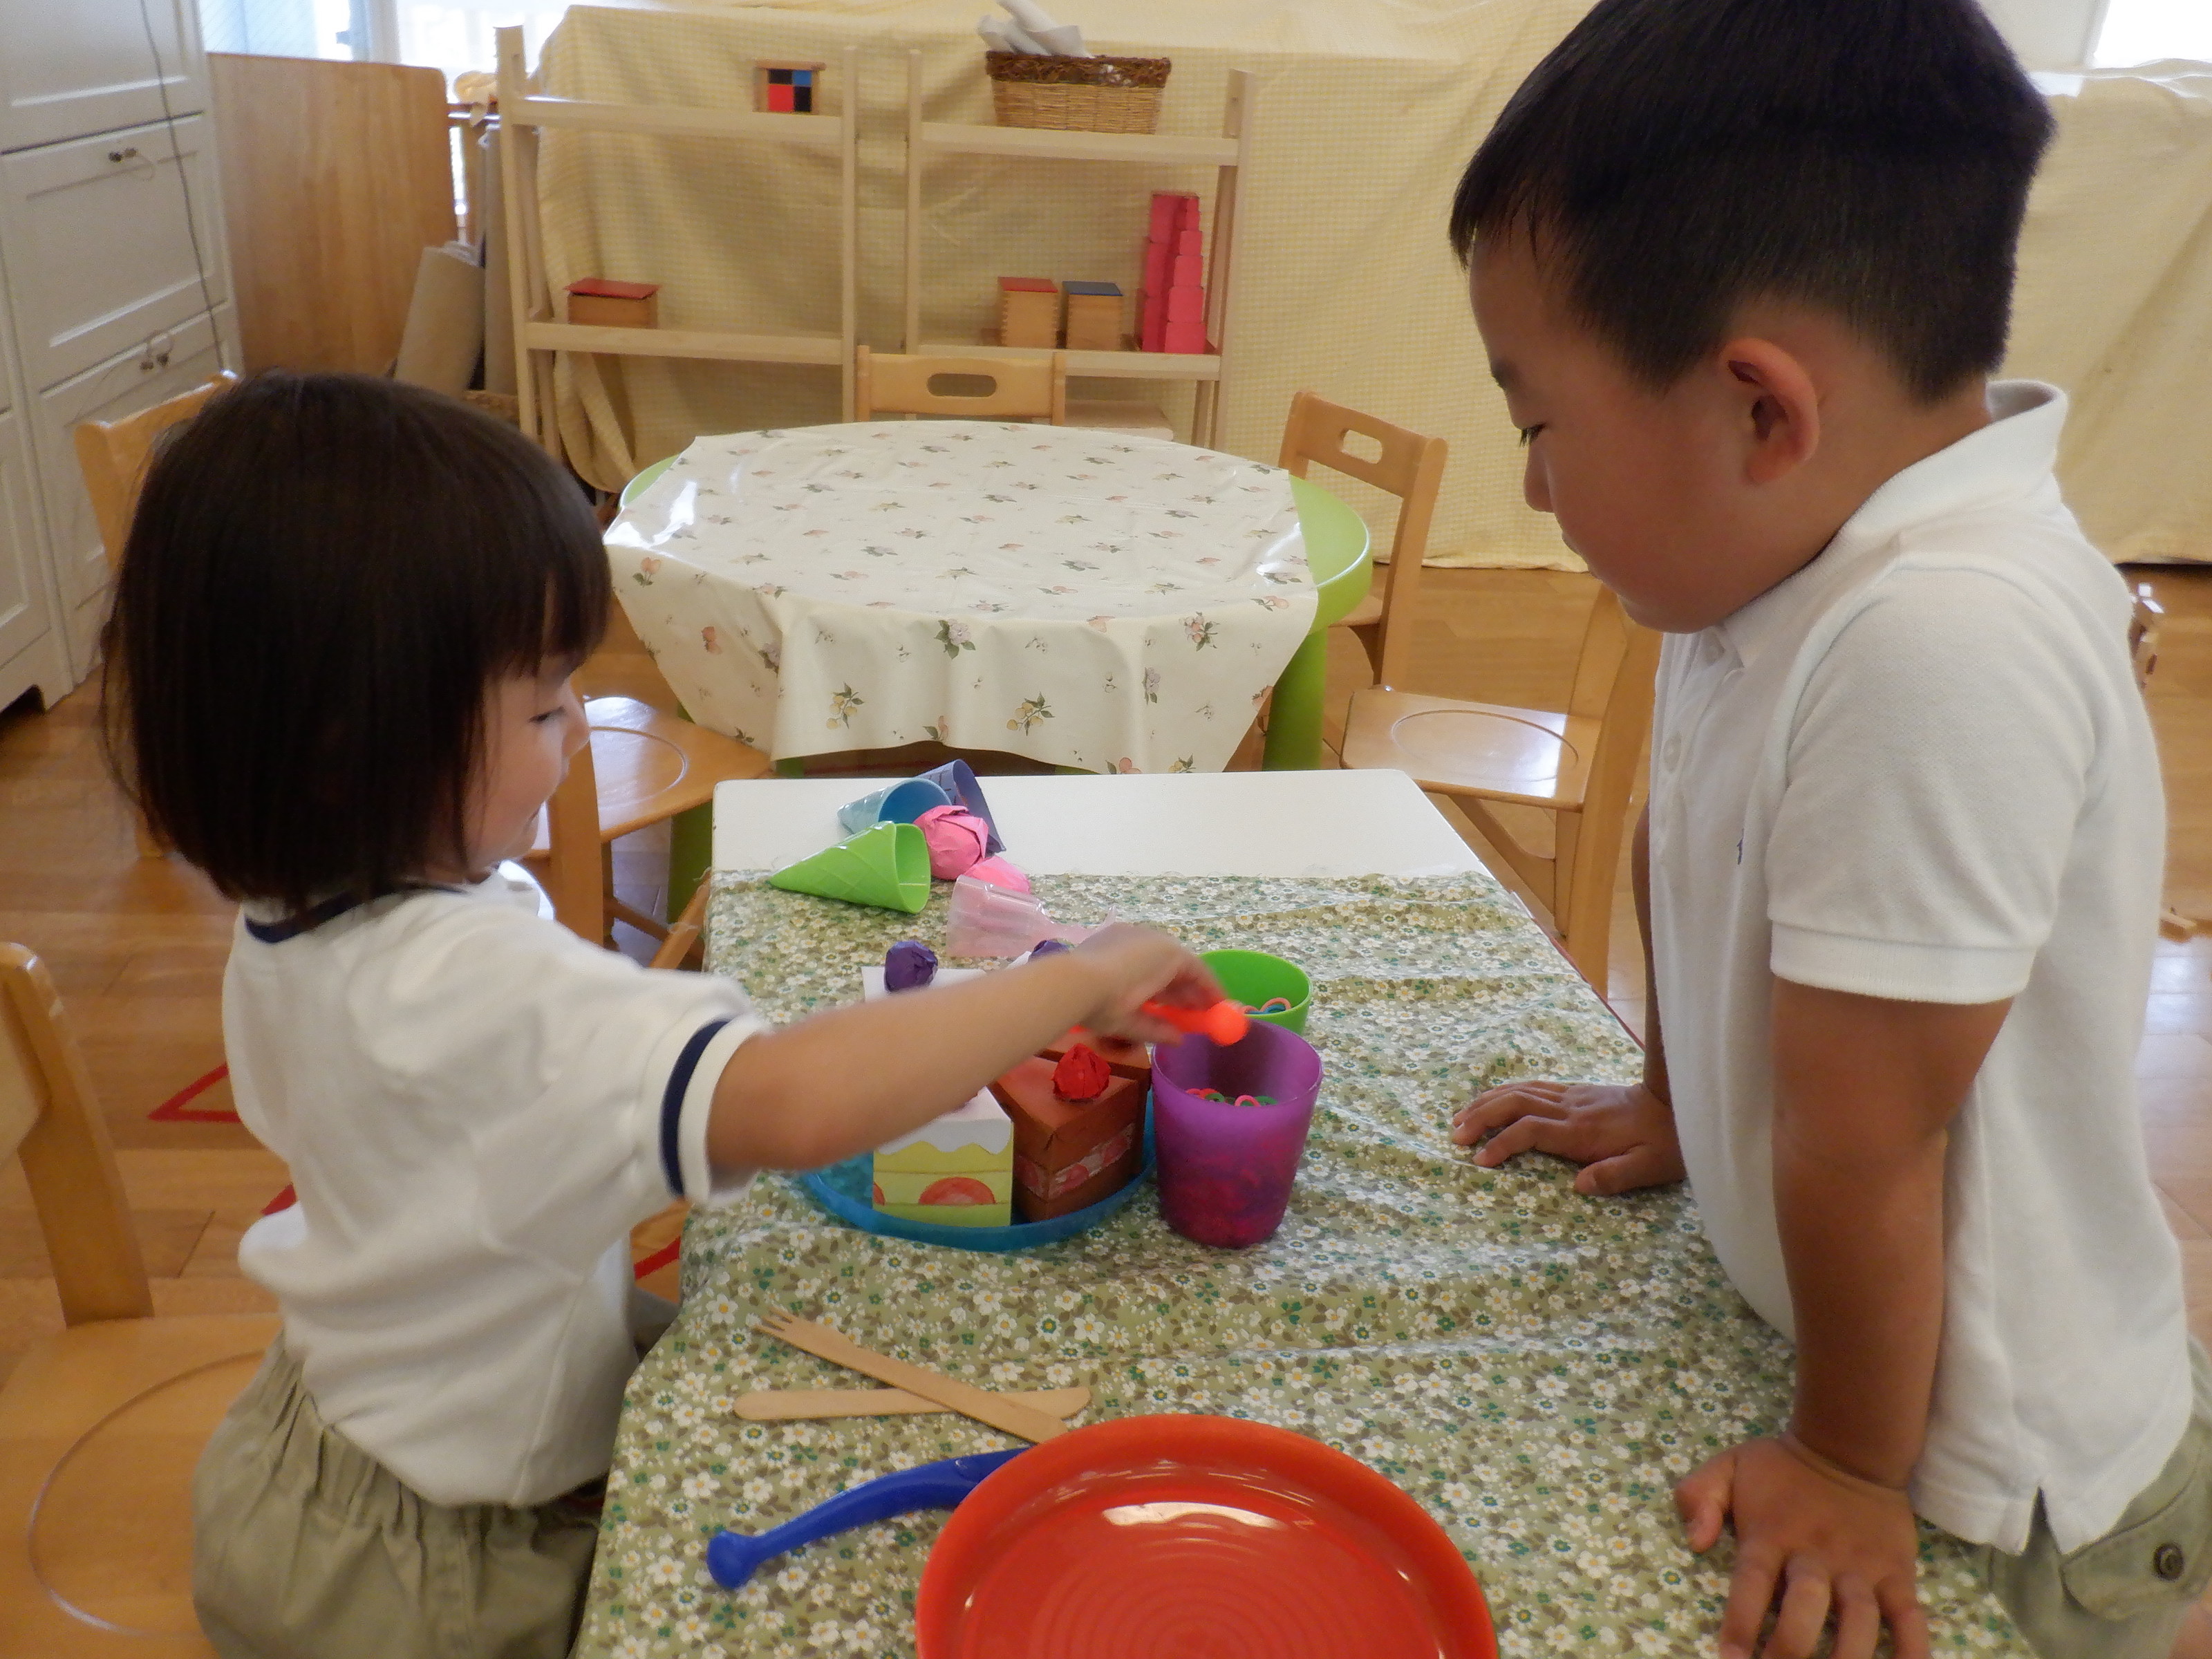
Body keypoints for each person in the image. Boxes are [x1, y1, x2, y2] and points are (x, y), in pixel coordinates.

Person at [101, 371, 1219, 1659]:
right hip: (425, 1575)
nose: (577, 725)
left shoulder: (305, 901)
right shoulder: (455, 989)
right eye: (540, 704)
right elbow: (791, 1105)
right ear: (354, 755)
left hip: (341, 1420)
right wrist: (1076, 977)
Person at [1441, 3, 2203, 1658]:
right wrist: (1674, 1100)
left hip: (1993, 1479)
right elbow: (1689, 836)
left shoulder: (1938, 636)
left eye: (1537, 426)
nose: (1535, 491)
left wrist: (1849, 1463)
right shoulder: (1766, 553)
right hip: (1835, 1340)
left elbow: (1872, 1138)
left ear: (1758, 413)